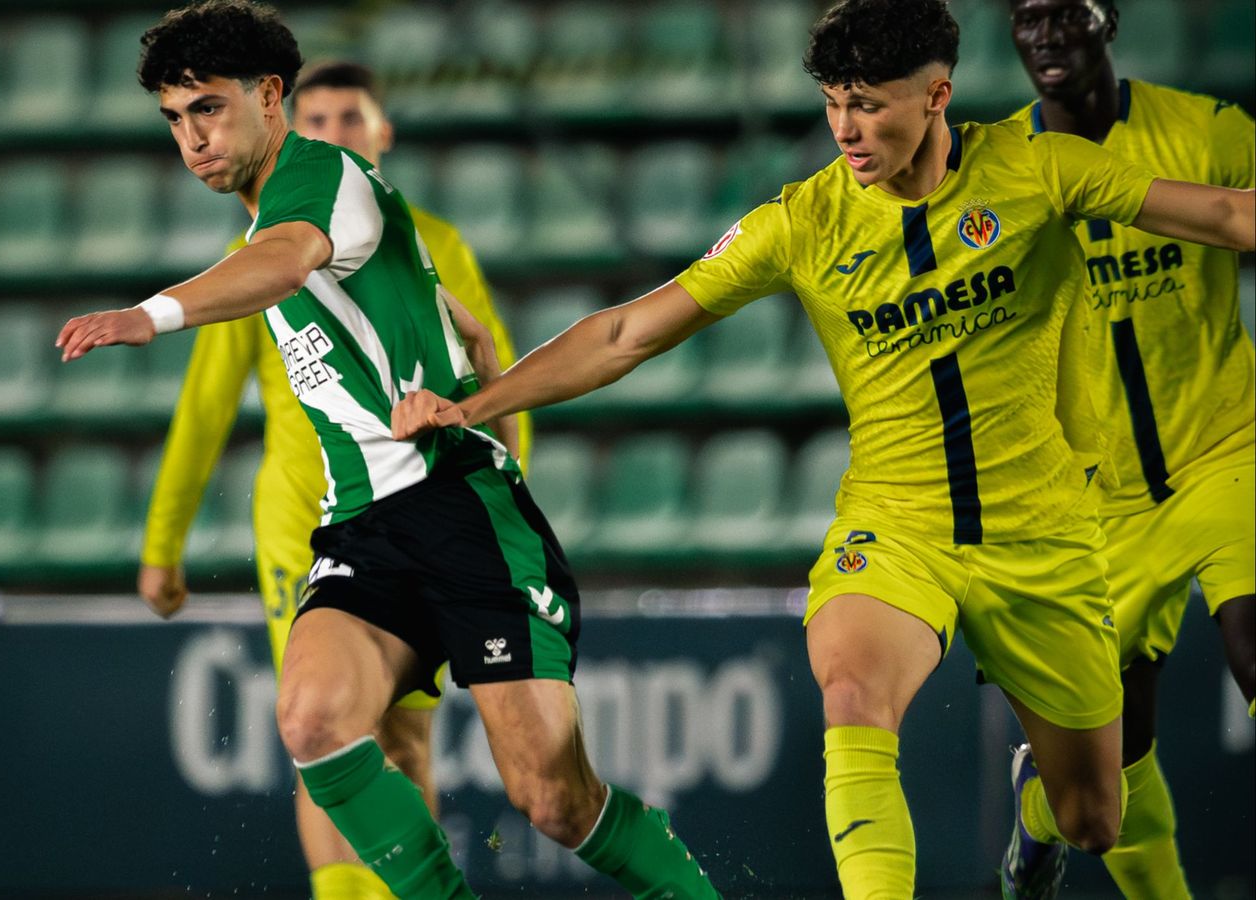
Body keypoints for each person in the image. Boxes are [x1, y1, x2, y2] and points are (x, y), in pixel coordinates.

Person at [391, 0, 1256, 896]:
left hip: (1044, 532)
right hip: (896, 526)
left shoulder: (1040, 170)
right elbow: (624, 336)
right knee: (851, 692)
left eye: (869, 104)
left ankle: (1035, 818)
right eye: (833, 101)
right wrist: (475, 405)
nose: (845, 127)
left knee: (1092, 816)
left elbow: (1230, 218)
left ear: (936, 96)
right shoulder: (803, 222)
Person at [57, 2, 723, 897]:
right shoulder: (292, 224)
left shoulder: (319, 184)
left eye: (208, 109)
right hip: (364, 523)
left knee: (553, 801)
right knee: (311, 719)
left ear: (268, 95)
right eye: (175, 119)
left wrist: (149, 314)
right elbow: (471, 332)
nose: (192, 139)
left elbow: (291, 261)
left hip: (462, 511)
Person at [136, 58, 528, 900]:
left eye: (351, 119)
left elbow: (494, 381)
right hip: (305, 524)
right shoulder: (256, 253)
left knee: (409, 744)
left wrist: (510, 498)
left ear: (382, 133)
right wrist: (162, 543)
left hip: (427, 513)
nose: (333, 134)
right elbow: (205, 408)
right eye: (316, 120)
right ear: (285, 125)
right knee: (331, 734)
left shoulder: (433, 240)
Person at [1000, 0, 1256, 895]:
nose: (1042, 34)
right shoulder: (1001, 171)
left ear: (1107, 20)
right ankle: (1037, 817)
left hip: (1228, 452)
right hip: (1096, 502)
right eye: (1022, 16)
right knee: (1101, 798)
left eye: (1062, 12)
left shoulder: (1208, 133)